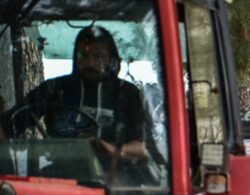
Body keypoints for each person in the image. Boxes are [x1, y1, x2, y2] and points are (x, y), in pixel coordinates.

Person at [0, 26, 148, 163]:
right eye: (83, 55)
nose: (90, 62)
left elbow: (141, 148)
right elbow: (8, 126)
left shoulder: (127, 93)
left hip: (114, 179)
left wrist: (110, 149)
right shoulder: (55, 88)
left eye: (98, 56)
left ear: (111, 59)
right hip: (61, 176)